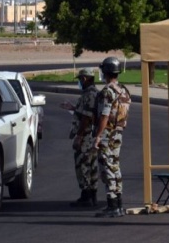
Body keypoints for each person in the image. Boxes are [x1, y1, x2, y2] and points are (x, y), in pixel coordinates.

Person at [92, 56, 131, 218]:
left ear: (106, 72)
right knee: (115, 167)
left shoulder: (107, 92)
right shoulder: (124, 90)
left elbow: (104, 116)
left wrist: (98, 136)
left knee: (107, 169)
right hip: (119, 133)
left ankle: (112, 204)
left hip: (108, 134)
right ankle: (119, 204)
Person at [68, 68, 100, 208]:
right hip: (90, 135)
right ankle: (91, 196)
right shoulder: (90, 94)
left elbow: (87, 117)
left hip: (87, 135)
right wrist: (73, 108)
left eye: (80, 79)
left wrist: (79, 136)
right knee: (91, 165)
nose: (80, 82)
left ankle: (86, 195)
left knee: (83, 165)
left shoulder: (90, 94)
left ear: (86, 78)